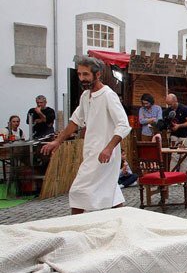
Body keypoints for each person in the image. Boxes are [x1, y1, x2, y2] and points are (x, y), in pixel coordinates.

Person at [41, 56, 131, 214]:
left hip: (105, 153)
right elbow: (75, 121)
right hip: (92, 151)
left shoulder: (108, 95)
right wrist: (57, 142)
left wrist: (108, 148)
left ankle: (75, 224)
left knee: (78, 190)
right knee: (110, 190)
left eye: (86, 74)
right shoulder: (85, 96)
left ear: (97, 74)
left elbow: (123, 125)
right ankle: (123, 220)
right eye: (79, 74)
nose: (82, 78)